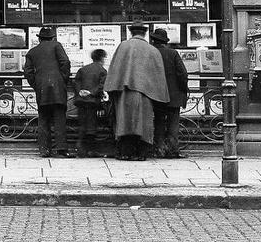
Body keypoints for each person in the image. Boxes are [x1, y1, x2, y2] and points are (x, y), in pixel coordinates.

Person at [105, 22, 169, 161]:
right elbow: (158, 75)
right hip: (145, 93)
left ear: (131, 32)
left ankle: (125, 152)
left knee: (125, 123)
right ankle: (141, 154)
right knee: (143, 124)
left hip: (125, 92)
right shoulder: (152, 50)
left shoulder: (123, 46)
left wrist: (112, 90)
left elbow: (115, 69)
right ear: (145, 33)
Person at [23, 26, 71, 157]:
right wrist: (63, 79)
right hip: (57, 87)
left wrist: (36, 84)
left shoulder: (32, 52)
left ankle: (44, 150)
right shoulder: (57, 46)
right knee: (59, 118)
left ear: (39, 39)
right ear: (52, 37)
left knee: (43, 119)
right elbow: (65, 62)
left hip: (42, 89)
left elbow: (28, 72)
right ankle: (61, 149)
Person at [150, 27, 189, 158]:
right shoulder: (172, 53)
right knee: (173, 123)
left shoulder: (150, 53)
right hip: (174, 95)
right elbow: (183, 73)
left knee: (159, 122)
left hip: (156, 95)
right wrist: (183, 89)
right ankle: (172, 150)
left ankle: (159, 150)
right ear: (165, 41)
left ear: (153, 40)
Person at [73, 48, 107, 158]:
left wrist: (81, 92)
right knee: (91, 126)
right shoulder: (102, 71)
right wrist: (91, 93)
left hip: (81, 101)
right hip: (92, 102)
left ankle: (81, 149)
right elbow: (101, 86)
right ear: (102, 58)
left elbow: (77, 82)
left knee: (82, 124)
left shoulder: (83, 69)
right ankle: (90, 150)